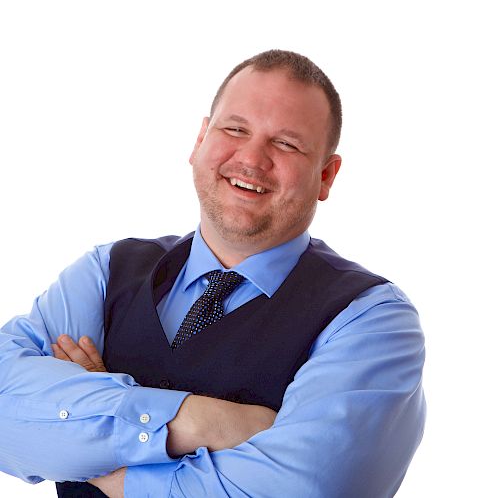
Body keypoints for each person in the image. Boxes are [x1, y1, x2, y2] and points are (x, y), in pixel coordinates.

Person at [0, 49, 425, 497]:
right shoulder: (106, 272)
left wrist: (95, 458)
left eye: (286, 144)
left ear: (326, 176)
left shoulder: (371, 318)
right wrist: (197, 421)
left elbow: (310, 486)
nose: (252, 158)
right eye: (234, 129)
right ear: (201, 138)